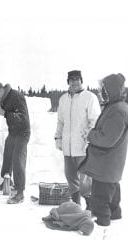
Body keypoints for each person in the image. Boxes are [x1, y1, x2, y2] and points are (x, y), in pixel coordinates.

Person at [80, 73, 128, 226]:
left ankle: (102, 226)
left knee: (100, 199)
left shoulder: (118, 110)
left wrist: (90, 134)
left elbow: (107, 139)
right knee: (112, 197)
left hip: (106, 165)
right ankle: (114, 218)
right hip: (110, 165)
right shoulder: (116, 107)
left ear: (112, 90)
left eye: (104, 89)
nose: (101, 92)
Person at [54, 70, 101, 209]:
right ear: (68, 81)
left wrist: (89, 139)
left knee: (85, 179)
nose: (75, 82)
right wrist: (58, 137)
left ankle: (90, 205)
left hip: (83, 146)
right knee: (70, 176)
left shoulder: (90, 97)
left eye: (77, 79)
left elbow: (95, 121)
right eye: (72, 79)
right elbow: (60, 121)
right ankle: (76, 205)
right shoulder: (63, 99)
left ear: (82, 80)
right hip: (68, 148)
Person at [0, 81, 30, 204]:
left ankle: (20, 192)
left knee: (18, 160)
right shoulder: (4, 99)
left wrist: (5, 114)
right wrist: (6, 114)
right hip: (13, 132)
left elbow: (23, 118)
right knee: (7, 155)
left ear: (0, 90)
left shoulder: (16, 96)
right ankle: (7, 181)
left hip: (23, 133)